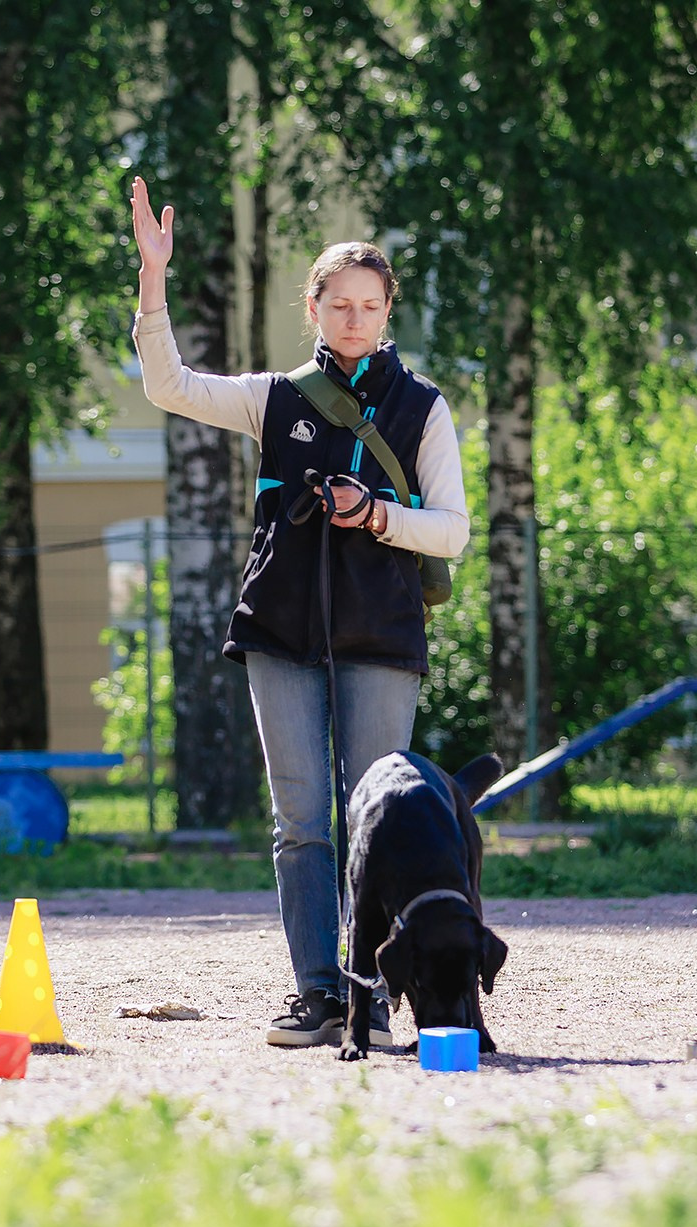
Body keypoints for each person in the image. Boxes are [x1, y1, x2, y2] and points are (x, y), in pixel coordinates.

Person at [128, 176, 471, 1049]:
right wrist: (153, 277)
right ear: (313, 308)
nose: (354, 319)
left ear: (388, 310)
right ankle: (317, 993)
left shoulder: (423, 406)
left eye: (369, 305)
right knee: (300, 820)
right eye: (338, 304)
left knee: (379, 815)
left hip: (381, 635)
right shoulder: (273, 396)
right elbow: (170, 386)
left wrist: (379, 515)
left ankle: (371, 990)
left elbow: (455, 532)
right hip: (281, 630)